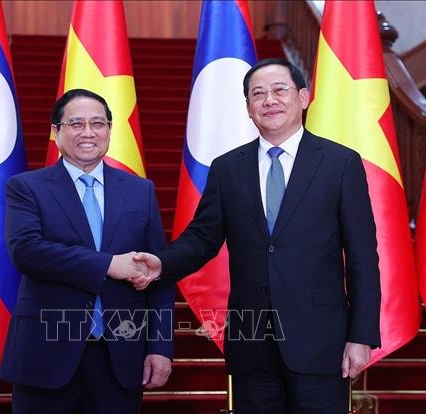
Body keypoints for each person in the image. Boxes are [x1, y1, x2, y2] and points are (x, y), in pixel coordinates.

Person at [131, 58, 381, 413]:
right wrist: (162, 263)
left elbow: (362, 256)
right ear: (248, 107)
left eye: (280, 90)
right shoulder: (227, 168)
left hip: (321, 340)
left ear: (303, 98)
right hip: (251, 342)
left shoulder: (340, 163)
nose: (269, 100)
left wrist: (361, 335)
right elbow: (202, 238)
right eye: (258, 94)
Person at [0, 88, 175, 414]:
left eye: (98, 123)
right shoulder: (27, 187)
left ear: (110, 129)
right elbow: (26, 251)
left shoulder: (140, 190)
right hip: (45, 353)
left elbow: (159, 274)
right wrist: (108, 265)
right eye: (76, 123)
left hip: (120, 356)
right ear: (56, 131)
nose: (88, 132)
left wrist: (160, 347)